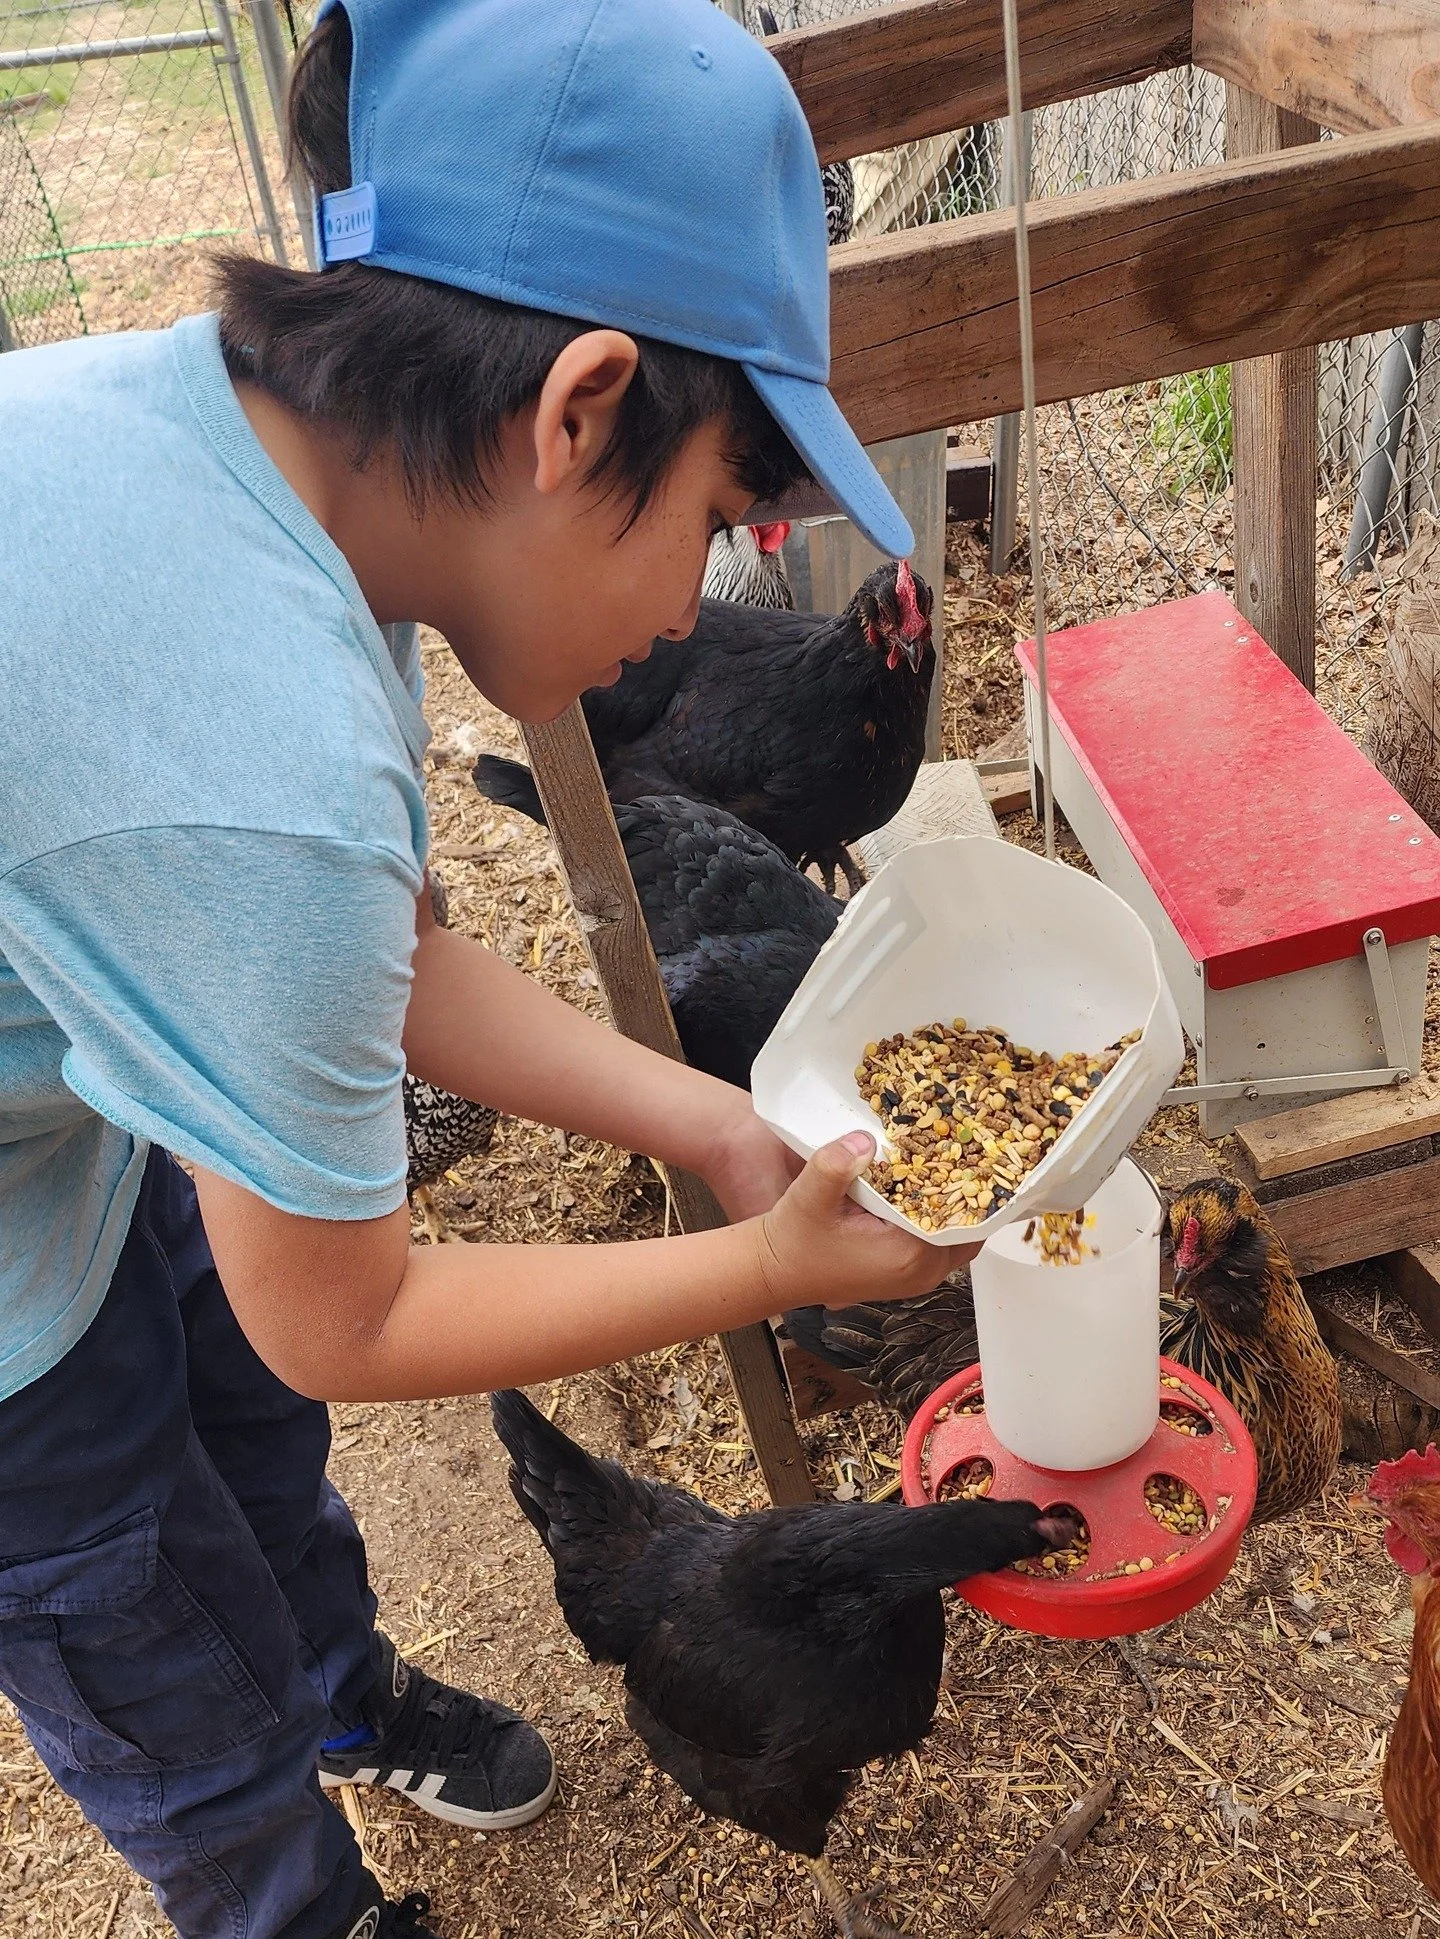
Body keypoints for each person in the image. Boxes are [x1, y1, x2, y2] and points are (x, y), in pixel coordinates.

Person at [0, 2, 972, 1934]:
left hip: (79, 1080)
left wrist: (713, 1126)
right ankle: (293, 1896)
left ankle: (340, 1691)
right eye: (717, 521)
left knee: (245, 1451)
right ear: (580, 409)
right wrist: (765, 1270)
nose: (695, 606)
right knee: (146, 1626)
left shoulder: (268, 477)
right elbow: (345, 1322)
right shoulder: (264, 774)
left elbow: (393, 958)